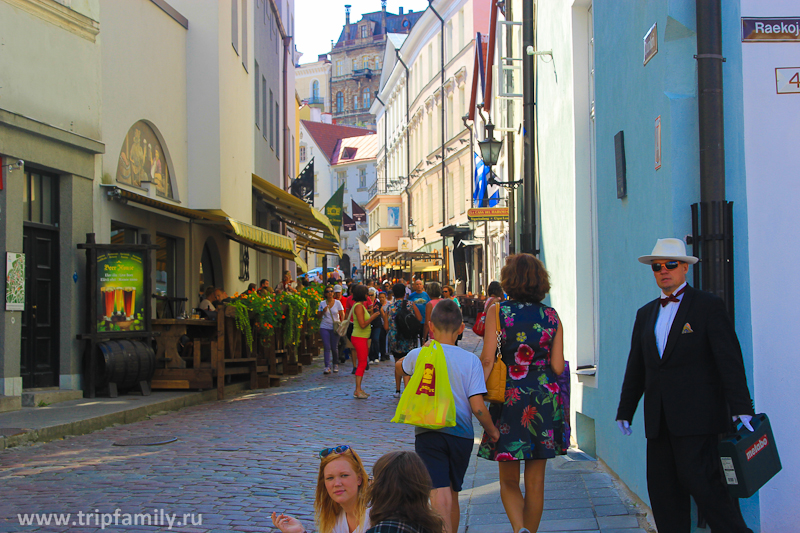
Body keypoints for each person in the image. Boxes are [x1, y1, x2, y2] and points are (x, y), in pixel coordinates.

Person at [616, 238, 754, 533]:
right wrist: (625, 410)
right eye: (657, 267)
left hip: (697, 421)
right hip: (658, 423)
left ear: (685, 269)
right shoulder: (645, 314)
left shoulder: (708, 306)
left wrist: (742, 408)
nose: (663, 271)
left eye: (670, 265)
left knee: (708, 492)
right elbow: (637, 367)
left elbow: (729, 360)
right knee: (664, 497)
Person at [476, 254, 566, 533]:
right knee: (536, 481)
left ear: (508, 280)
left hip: (510, 396)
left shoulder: (498, 311)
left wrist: (476, 394)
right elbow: (558, 365)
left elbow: (488, 360)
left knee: (509, 478)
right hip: (544, 397)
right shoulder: (551, 315)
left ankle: (519, 530)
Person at [402, 300, 500, 533]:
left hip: (428, 431)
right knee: (453, 492)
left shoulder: (418, 355)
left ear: (430, 327)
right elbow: (477, 407)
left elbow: (402, 368)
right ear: (460, 330)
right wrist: (492, 430)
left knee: (438, 489)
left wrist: (410, 391)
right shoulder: (470, 361)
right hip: (461, 435)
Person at [271, 445, 371, 533]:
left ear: (359, 479)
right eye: (330, 478)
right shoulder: (335, 518)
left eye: (344, 475)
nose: (337, 484)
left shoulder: (376, 517)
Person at [365, 451, 444, 533]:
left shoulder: (381, 530)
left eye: (373, 479)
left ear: (381, 489)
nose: (370, 484)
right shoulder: (430, 528)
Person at [388, 283, 422, 397]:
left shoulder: (390, 307)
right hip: (409, 338)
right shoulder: (411, 304)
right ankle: (408, 389)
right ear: (404, 293)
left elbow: (386, 326)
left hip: (395, 339)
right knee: (408, 363)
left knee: (397, 363)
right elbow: (420, 319)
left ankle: (397, 390)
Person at [350, 284, 380, 399]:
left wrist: (372, 312)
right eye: (366, 293)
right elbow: (362, 324)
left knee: (363, 362)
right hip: (359, 337)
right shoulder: (358, 306)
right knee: (362, 363)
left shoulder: (361, 306)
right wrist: (373, 317)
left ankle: (359, 388)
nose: (368, 295)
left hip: (362, 337)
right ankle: (357, 390)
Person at [319, 286, 345, 374]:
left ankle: (335, 364)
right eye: (328, 291)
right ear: (325, 294)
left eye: (331, 291)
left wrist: (341, 323)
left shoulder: (337, 303)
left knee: (334, 347)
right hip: (324, 327)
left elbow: (342, 313)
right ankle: (327, 366)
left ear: (333, 293)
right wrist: (323, 311)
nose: (330, 293)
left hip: (335, 327)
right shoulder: (322, 303)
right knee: (326, 347)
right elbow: (318, 316)